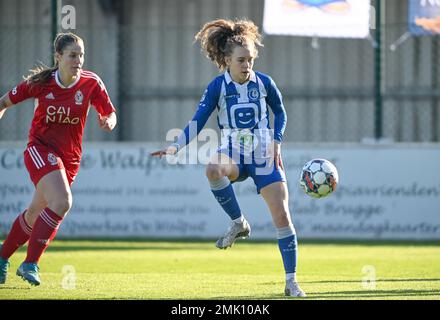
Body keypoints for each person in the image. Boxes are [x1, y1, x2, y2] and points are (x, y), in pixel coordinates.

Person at [151, 19, 306, 297]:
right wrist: (176, 146)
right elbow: (198, 121)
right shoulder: (217, 87)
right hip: (233, 153)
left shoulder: (265, 83)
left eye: (250, 59)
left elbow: (280, 113)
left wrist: (276, 141)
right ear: (226, 60)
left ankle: (291, 281)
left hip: (262, 155)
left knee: (282, 215)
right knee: (213, 169)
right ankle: (238, 222)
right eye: (241, 60)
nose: (247, 65)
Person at [0, 33, 117, 286]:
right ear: (58, 57)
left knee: (34, 214)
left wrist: (108, 120)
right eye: (72, 55)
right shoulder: (40, 83)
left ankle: (1, 258)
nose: (78, 60)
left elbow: (110, 112)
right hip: (39, 150)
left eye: (81, 55)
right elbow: (4, 102)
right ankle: (30, 263)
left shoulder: (91, 83)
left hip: (69, 160)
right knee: (62, 201)